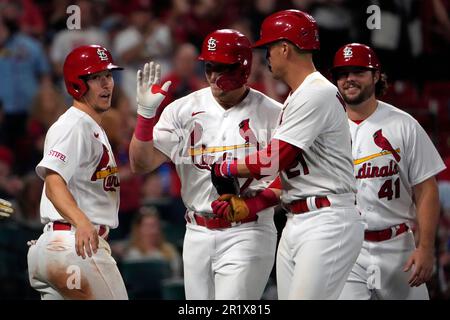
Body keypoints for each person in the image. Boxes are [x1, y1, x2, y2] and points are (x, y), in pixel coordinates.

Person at [210, 10, 365, 299]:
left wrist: (227, 167)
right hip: (299, 218)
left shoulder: (315, 92)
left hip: (327, 219)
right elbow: (288, 172)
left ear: (284, 48)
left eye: (269, 47)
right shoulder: (298, 95)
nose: (266, 55)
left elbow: (274, 160)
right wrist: (252, 205)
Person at [129, 29, 282, 300]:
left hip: (248, 229)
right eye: (209, 66)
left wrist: (254, 204)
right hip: (196, 230)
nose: (213, 75)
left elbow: (291, 178)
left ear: (243, 68)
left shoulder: (273, 113)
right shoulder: (182, 109)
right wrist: (145, 116)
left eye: (222, 68)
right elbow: (141, 164)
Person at [330, 43, 446, 300]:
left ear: (375, 76)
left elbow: (426, 189)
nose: (349, 79)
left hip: (398, 246)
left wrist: (425, 248)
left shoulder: (403, 125)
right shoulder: (327, 128)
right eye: (342, 73)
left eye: (358, 72)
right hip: (347, 247)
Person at [27, 45, 128, 300]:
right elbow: (53, 183)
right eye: (96, 78)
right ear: (77, 84)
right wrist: (82, 222)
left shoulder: (90, 126)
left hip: (57, 247)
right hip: (76, 245)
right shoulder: (74, 125)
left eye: (108, 76)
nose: (106, 84)